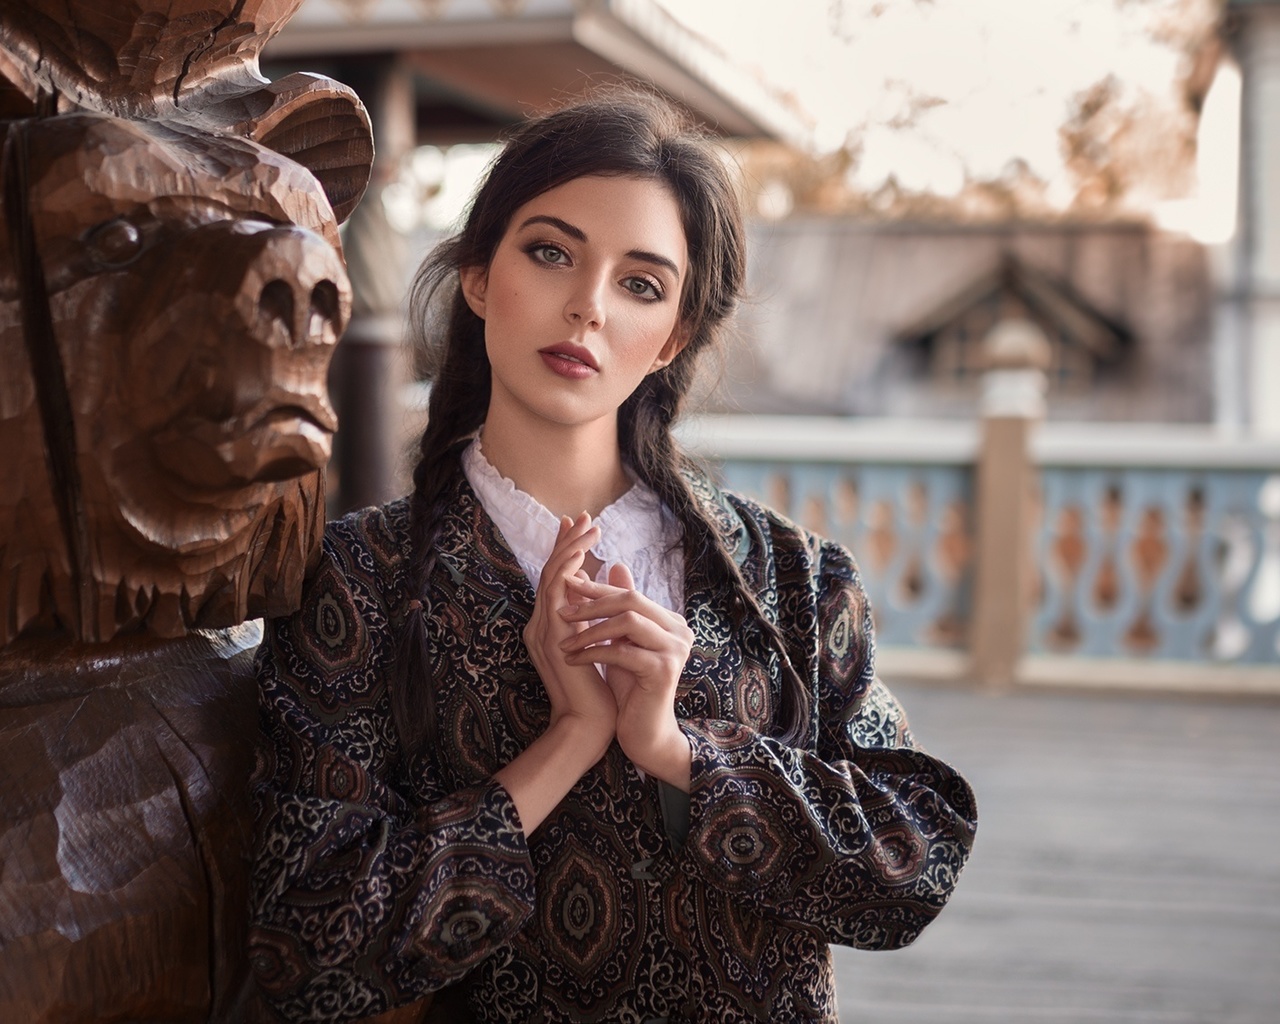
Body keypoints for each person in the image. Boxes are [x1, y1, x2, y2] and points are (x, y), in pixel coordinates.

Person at [248, 90, 978, 1024]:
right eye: (550, 252)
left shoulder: (791, 578)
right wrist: (565, 744)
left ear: (672, 336)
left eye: (640, 283)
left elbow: (912, 866)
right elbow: (307, 949)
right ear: (478, 275)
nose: (586, 307)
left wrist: (680, 753)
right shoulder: (358, 578)